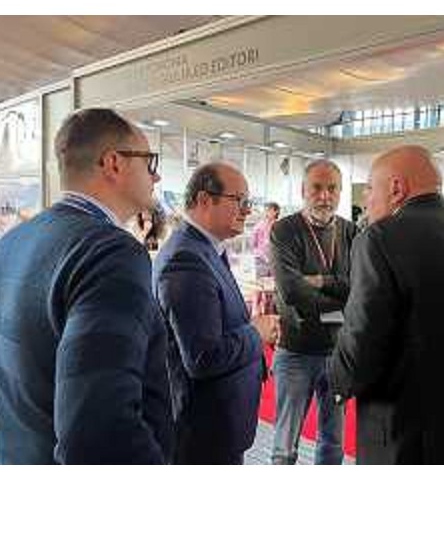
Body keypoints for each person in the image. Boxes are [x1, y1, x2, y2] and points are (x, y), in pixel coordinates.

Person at [0, 108, 172, 464]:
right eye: (149, 162)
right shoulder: (110, 252)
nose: (157, 175)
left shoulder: (10, 242)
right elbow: (100, 431)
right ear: (113, 163)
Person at [329, 145, 444, 464]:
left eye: (370, 189)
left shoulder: (379, 240)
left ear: (396, 188)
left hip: (413, 439)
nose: (366, 200)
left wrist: (336, 380)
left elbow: (362, 344)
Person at [152, 162, 280, 464]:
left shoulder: (205, 250)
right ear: (204, 200)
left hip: (219, 424)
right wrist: (256, 332)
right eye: (239, 200)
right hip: (204, 432)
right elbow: (203, 357)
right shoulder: (185, 260)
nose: (247, 210)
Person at [269, 159, 357, 464]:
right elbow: (292, 290)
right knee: (284, 449)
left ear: (340, 192)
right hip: (295, 351)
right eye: (317, 188)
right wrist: (342, 301)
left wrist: (320, 281)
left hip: (337, 353)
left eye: (332, 188)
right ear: (303, 190)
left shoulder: (351, 232)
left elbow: (359, 288)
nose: (324, 196)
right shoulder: (284, 230)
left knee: (332, 445)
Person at [252, 202, 280, 278]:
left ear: (276, 212)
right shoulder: (259, 226)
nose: (266, 212)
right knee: (261, 281)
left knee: (275, 281)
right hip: (261, 259)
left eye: (269, 210)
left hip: (275, 260)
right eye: (265, 210)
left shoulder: (280, 226)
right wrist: (260, 254)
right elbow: (254, 243)